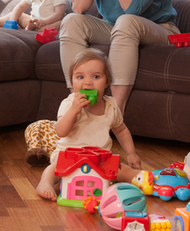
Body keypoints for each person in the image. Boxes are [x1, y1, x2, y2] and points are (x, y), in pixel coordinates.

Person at [35, 48, 142, 201]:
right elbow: (60, 131)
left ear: (107, 82)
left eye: (96, 76)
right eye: (80, 77)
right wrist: (74, 111)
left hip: (100, 159)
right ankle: (45, 183)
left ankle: (140, 178)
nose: (88, 82)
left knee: (121, 169)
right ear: (72, 81)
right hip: (69, 157)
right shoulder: (69, 104)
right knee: (54, 167)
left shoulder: (111, 106)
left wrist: (131, 154)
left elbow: (121, 130)